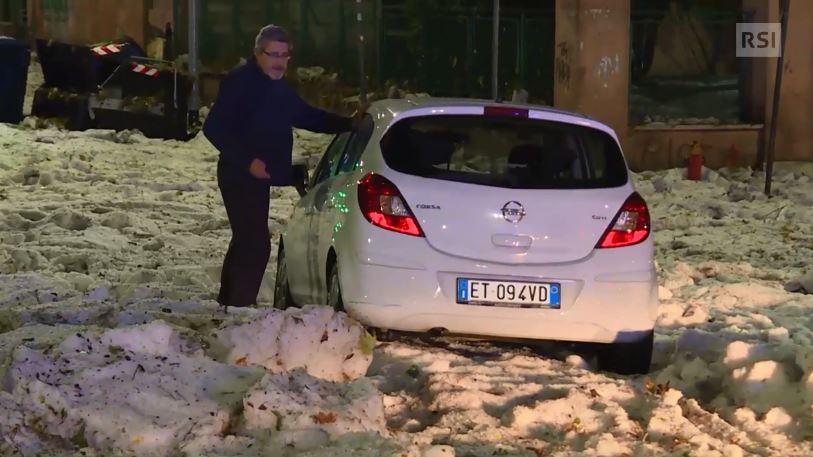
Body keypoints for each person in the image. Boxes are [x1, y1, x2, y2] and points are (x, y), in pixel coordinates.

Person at [203, 24, 365, 308]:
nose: (279, 61)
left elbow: (307, 116)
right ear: (258, 54)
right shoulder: (240, 82)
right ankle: (239, 308)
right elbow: (213, 127)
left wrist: (348, 124)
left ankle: (229, 304)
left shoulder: (278, 87)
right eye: (273, 54)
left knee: (246, 240)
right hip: (238, 174)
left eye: (285, 55)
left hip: (257, 176)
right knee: (255, 244)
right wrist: (248, 161)